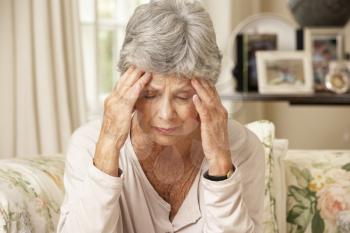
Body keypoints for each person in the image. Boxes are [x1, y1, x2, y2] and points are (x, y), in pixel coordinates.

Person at [57, 0, 265, 232]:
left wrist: (219, 162)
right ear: (128, 87)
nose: (166, 114)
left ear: (209, 91)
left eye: (183, 96)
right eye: (149, 94)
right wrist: (108, 146)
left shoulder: (242, 148)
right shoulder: (89, 144)